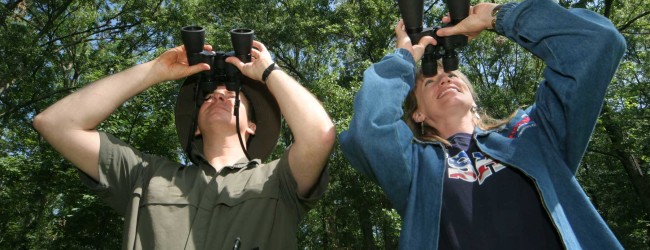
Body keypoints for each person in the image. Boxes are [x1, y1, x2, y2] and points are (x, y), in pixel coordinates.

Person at [339, 0, 626, 249]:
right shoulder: (414, 165)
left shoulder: (531, 134)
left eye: (451, 73)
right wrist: (403, 58)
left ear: (472, 96)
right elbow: (368, 131)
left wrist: (497, 17)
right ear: (418, 115)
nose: (444, 78)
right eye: (428, 80)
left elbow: (597, 43)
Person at [33, 37, 335, 249]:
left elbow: (319, 134)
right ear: (197, 130)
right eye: (208, 96)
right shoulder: (146, 176)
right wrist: (154, 71)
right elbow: (56, 123)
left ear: (252, 126)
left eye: (232, 96)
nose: (218, 95)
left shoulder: (277, 180)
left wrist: (268, 72)